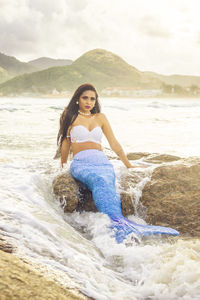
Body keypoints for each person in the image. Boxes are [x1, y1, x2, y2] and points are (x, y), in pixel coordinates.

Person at [57, 83, 179, 243]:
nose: (89, 102)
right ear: (77, 99)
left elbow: (113, 143)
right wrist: (63, 164)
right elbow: (65, 143)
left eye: (92, 99)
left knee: (108, 180)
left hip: (102, 162)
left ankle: (121, 223)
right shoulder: (69, 116)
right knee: (98, 180)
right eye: (85, 97)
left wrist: (128, 164)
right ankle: (116, 223)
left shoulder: (100, 117)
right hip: (81, 163)